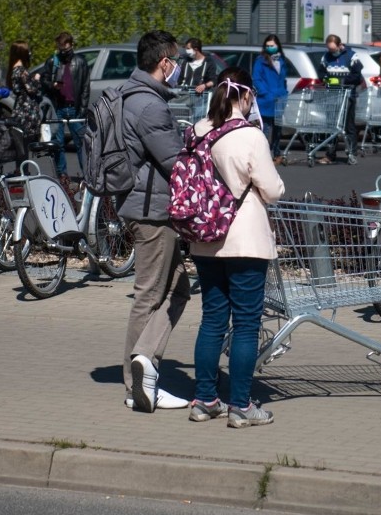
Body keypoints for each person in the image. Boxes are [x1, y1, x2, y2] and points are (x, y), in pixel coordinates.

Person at [188, 67, 285, 428]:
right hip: (244, 241)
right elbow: (273, 190)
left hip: (205, 239)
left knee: (212, 319)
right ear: (244, 96)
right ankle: (241, 405)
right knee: (245, 324)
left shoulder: (198, 130)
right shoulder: (250, 136)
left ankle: (204, 400)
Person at [117, 30, 190, 413]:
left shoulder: (129, 94)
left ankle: (143, 363)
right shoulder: (150, 106)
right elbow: (174, 162)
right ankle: (136, 385)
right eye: (175, 61)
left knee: (178, 289)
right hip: (152, 213)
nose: (178, 68)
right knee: (149, 295)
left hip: (144, 207)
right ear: (164, 63)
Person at [40, 32, 90, 185]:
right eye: (61, 50)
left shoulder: (80, 62)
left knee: (81, 143)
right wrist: (53, 86)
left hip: (74, 109)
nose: (64, 54)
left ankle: (87, 175)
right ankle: (62, 175)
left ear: (72, 46)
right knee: (58, 143)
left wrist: (82, 109)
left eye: (66, 50)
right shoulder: (52, 62)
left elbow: (85, 87)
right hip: (58, 108)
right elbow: (44, 80)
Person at [319, 34, 363, 166]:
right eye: (330, 49)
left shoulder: (351, 56)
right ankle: (330, 154)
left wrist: (342, 81)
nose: (332, 52)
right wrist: (326, 79)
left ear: (339, 45)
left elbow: (357, 76)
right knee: (331, 125)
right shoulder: (326, 57)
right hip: (332, 95)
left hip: (347, 95)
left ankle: (352, 153)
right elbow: (321, 72)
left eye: (334, 49)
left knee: (349, 126)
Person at [5, 41, 42, 173]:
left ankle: (21, 171)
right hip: (26, 112)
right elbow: (32, 89)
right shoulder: (21, 71)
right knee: (24, 148)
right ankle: (22, 173)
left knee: (21, 147)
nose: (30, 53)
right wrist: (37, 79)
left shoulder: (13, 69)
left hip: (19, 109)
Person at [252, 34, 288, 165]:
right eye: (267, 46)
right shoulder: (261, 60)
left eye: (271, 45)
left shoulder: (281, 60)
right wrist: (266, 93)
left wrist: (284, 93)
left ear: (277, 45)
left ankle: (277, 153)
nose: (269, 48)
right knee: (265, 128)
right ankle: (263, 155)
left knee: (278, 128)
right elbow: (256, 79)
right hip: (266, 100)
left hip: (279, 99)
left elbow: (283, 79)